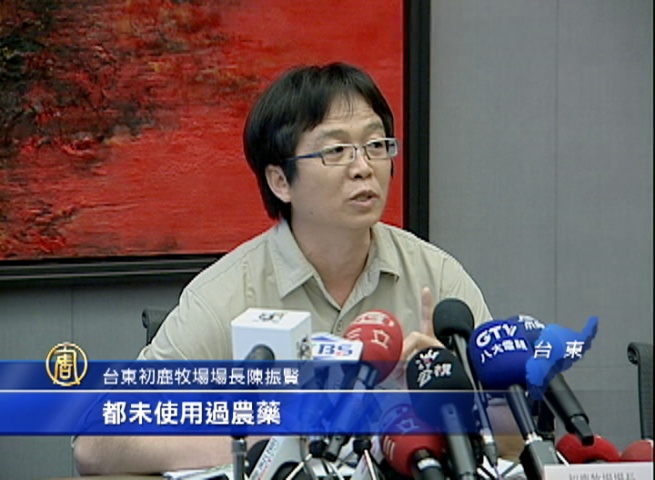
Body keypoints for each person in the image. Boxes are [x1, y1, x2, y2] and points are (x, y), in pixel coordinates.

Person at [73, 62, 521, 474]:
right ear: (280, 181)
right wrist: (262, 438)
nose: (363, 167)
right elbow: (95, 441)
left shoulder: (436, 278)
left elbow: (519, 436)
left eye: (375, 145)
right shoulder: (225, 297)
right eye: (336, 150)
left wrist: (449, 396)